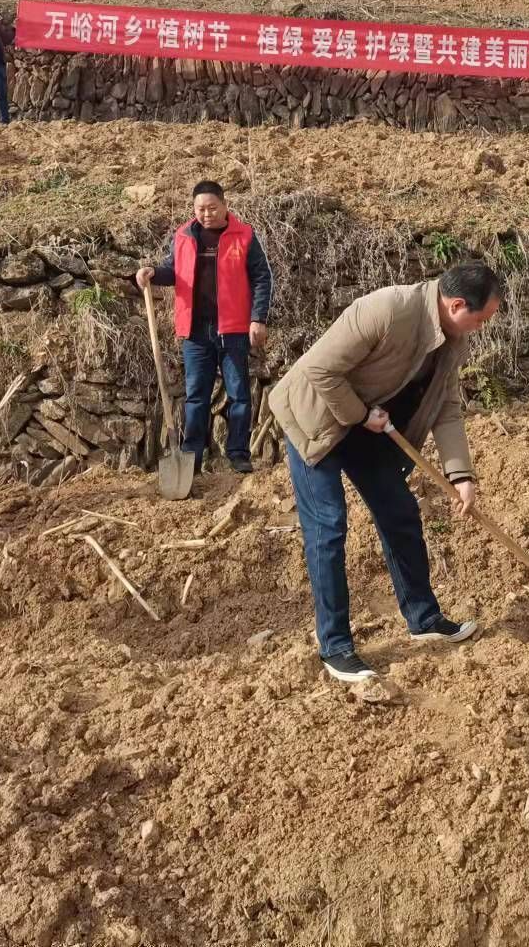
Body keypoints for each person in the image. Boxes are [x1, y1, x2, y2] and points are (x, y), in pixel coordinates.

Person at [267, 263, 503, 684]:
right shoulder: (387, 309)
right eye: (481, 318)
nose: (482, 328)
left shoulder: (454, 339)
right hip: (315, 419)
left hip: (367, 425)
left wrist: (461, 473)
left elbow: (446, 407)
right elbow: (320, 369)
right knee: (329, 526)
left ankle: (424, 618)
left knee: (400, 512)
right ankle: (336, 647)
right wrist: (360, 414)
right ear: (456, 304)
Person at [136, 181, 274, 474]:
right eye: (200, 208)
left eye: (212, 207)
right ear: (194, 208)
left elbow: (262, 278)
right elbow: (173, 271)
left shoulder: (244, 235)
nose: (206, 213)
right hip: (195, 331)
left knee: (238, 394)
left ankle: (238, 454)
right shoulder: (185, 235)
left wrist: (257, 318)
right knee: (196, 395)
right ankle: (192, 458)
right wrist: (152, 273)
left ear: (225, 205)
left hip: (233, 329)